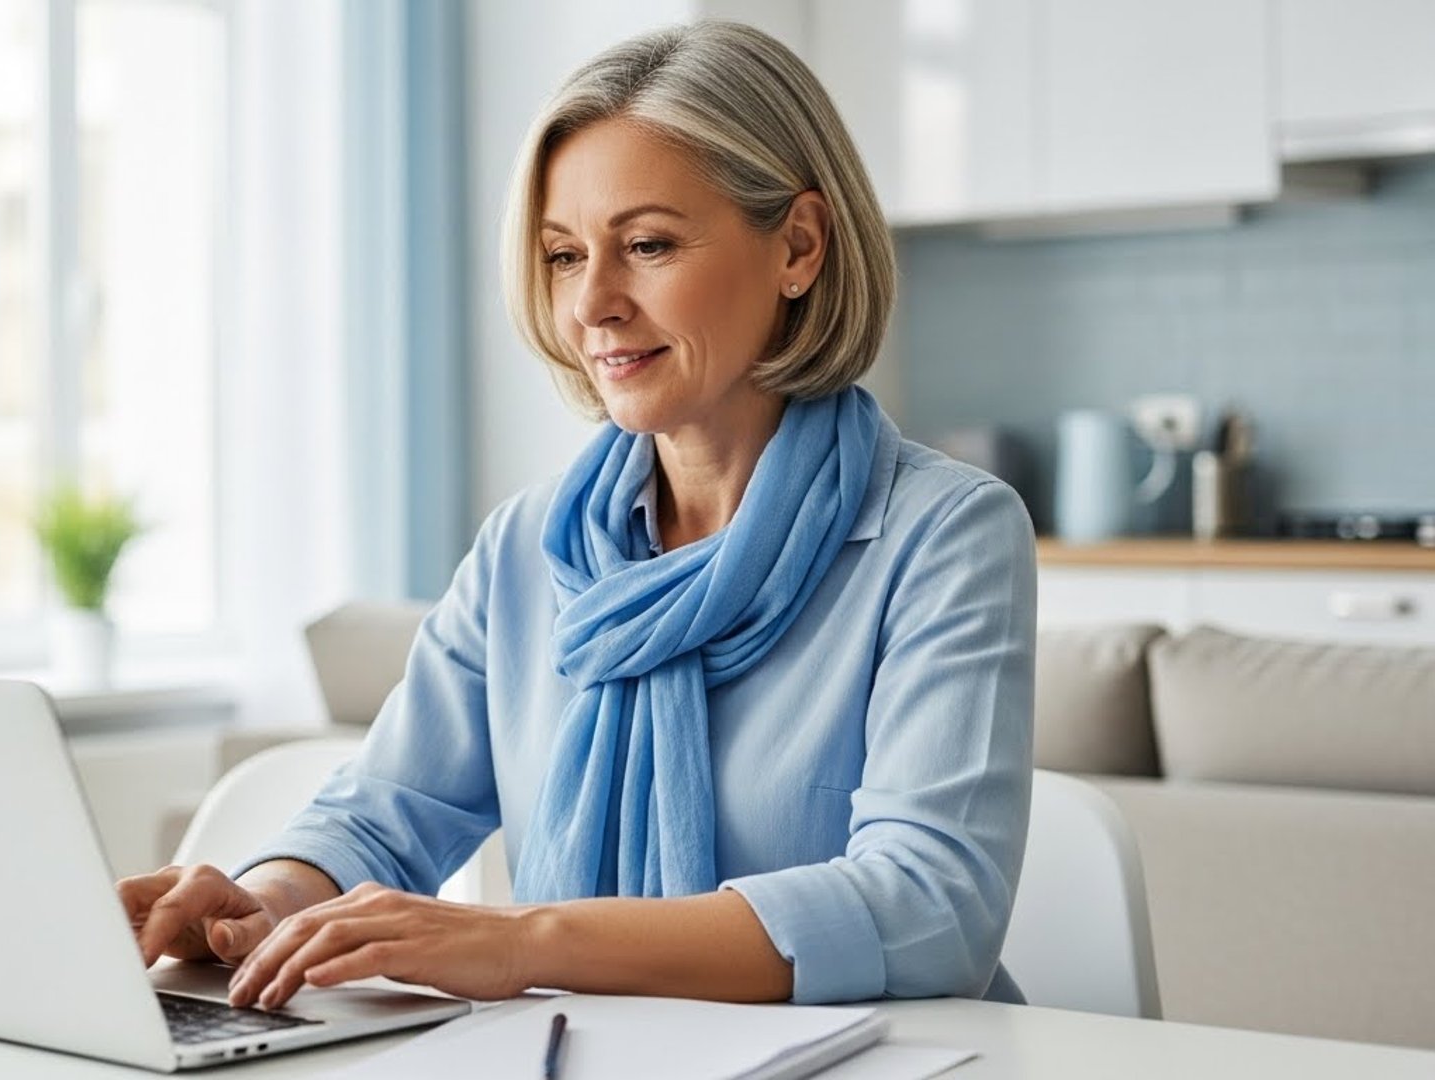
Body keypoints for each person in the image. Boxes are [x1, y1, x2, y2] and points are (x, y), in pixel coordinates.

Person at [117, 20, 1035, 1010]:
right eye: (562, 256)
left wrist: (524, 941)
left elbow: (930, 909)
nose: (592, 303)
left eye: (646, 245)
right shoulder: (531, 546)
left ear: (799, 248)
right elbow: (385, 814)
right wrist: (256, 911)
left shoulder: (944, 535)